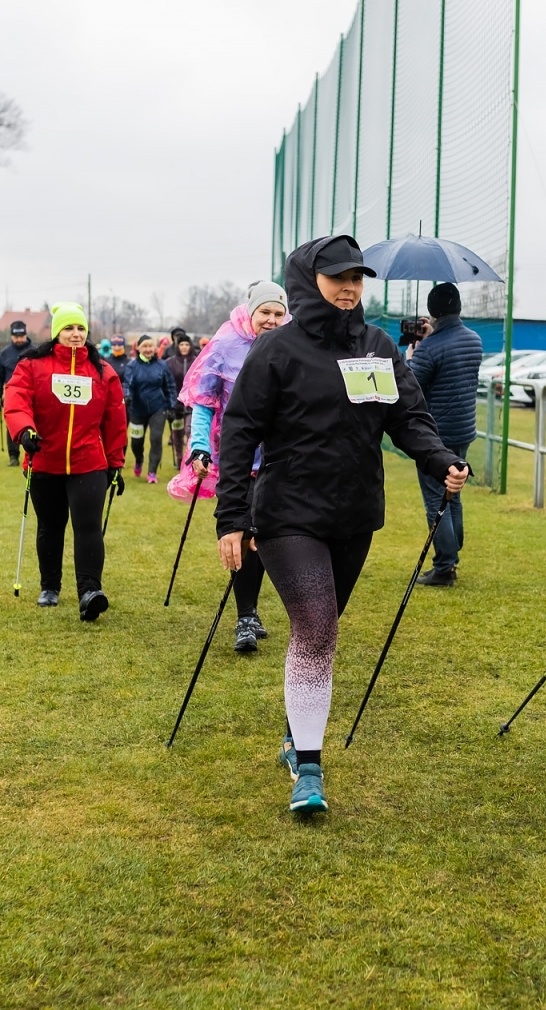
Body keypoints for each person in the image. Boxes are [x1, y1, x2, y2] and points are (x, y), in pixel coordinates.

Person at [215, 236, 469, 815]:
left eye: (357, 277)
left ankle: (292, 733)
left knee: (316, 637)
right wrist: (232, 516)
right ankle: (309, 769)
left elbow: (409, 418)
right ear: (309, 281)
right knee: (318, 627)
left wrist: (440, 458)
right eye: (338, 277)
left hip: (354, 515)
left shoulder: (379, 346)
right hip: (285, 516)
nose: (350, 287)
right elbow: (239, 432)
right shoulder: (277, 350)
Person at [177, 281, 288, 653]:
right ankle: (246, 616)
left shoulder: (293, 345)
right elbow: (205, 403)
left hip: (279, 457)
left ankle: (251, 611)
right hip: (238, 456)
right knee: (240, 529)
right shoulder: (225, 346)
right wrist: (198, 447)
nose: (272, 320)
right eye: (265, 313)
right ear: (251, 312)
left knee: (265, 534)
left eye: (278, 313)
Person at [3, 303, 128, 621]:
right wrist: (23, 430)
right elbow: (16, 398)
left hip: (88, 463)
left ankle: (89, 592)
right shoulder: (32, 365)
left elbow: (115, 419)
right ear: (57, 332)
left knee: (88, 527)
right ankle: (50, 587)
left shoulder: (103, 372)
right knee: (50, 526)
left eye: (81, 328)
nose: (76, 334)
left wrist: (115, 462)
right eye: (69, 328)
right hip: (44, 460)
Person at [408, 283, 483, 588]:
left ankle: (444, 565)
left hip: (436, 435)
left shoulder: (429, 347)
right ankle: (452, 556)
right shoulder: (474, 340)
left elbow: (412, 386)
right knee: (454, 493)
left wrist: (413, 353)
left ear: (433, 312)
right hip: (464, 429)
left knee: (436, 499)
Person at [124, 334, 178, 483]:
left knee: (155, 439)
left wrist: (172, 406)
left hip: (158, 408)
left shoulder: (162, 365)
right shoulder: (132, 366)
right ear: (139, 348)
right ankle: (139, 459)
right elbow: (127, 384)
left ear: (155, 348)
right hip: (137, 410)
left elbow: (170, 386)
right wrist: (127, 396)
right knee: (136, 442)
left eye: (150, 346)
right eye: (145, 346)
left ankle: (152, 473)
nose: (148, 349)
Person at [0, 320, 31, 466]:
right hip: (12, 395)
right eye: (16, 336)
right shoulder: (5, 353)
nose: (19, 339)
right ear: (11, 336)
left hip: (31, 394)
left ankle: (33, 453)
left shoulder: (34, 352)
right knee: (12, 425)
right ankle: (13, 455)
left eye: (21, 336)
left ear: (26, 334)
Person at [165, 331, 199, 471]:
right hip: (176, 405)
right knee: (177, 434)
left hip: (192, 404)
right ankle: (179, 459)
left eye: (186, 344)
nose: (184, 347)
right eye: (181, 344)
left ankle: (190, 459)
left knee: (189, 431)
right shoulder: (170, 362)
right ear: (177, 346)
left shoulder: (197, 361)